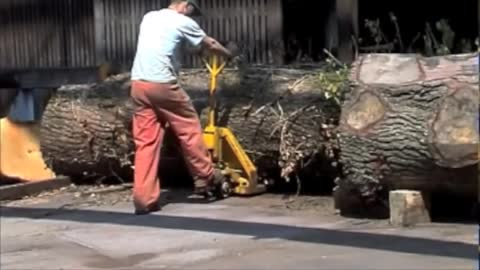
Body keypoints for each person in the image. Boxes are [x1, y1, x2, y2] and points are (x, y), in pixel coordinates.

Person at [130, 0, 234, 215]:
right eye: (192, 11)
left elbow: (166, 44)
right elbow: (211, 44)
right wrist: (229, 54)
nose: (192, 16)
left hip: (138, 85)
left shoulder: (149, 17)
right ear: (186, 5)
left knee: (145, 143)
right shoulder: (182, 21)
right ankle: (206, 177)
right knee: (189, 127)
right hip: (162, 85)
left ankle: (143, 199)